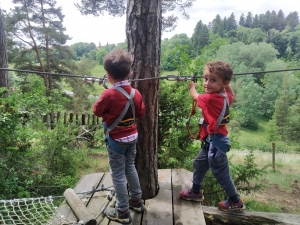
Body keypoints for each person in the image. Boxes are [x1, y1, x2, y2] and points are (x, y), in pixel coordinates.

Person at [180, 60, 245, 212]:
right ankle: (196, 191)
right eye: (205, 78)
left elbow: (194, 96)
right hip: (212, 141)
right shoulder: (225, 96)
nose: (207, 83)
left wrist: (192, 86)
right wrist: (224, 82)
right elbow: (232, 94)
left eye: (213, 80)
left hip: (216, 143)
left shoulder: (209, 98)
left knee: (221, 173)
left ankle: (235, 201)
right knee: (199, 163)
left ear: (224, 82)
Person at [93, 48, 146, 224]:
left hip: (116, 140)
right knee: (130, 167)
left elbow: (97, 111)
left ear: (107, 75)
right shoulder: (135, 93)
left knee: (117, 174)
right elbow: (140, 112)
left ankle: (122, 211)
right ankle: (136, 201)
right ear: (129, 72)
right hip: (132, 138)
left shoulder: (108, 94)